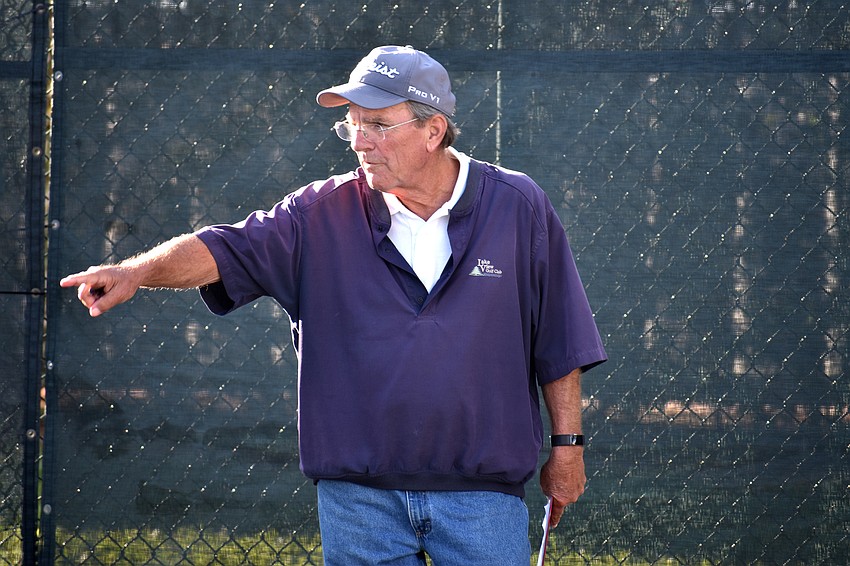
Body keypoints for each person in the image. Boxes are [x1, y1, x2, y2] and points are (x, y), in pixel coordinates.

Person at [61, 45, 607, 565]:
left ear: (432, 130)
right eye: (352, 123)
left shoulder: (518, 206)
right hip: (358, 501)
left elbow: (558, 339)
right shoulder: (316, 212)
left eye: (377, 125)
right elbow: (223, 248)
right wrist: (135, 271)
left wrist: (568, 447)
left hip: (483, 497)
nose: (359, 141)